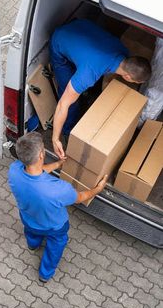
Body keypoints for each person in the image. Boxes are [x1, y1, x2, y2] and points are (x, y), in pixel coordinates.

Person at [8, 132, 107, 283]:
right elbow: (80, 198)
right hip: (53, 227)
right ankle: (45, 274)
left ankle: (32, 245)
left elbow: (35, 172)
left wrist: (57, 164)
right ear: (41, 154)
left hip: (28, 217)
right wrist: (97, 190)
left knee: (32, 231)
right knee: (55, 247)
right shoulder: (59, 189)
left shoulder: (14, 170)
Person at [50, 18, 152, 159]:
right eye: (134, 81)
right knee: (69, 98)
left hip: (79, 27)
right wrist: (55, 138)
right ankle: (68, 130)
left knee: (82, 79)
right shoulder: (89, 73)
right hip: (60, 39)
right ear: (127, 77)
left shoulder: (123, 51)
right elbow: (63, 105)